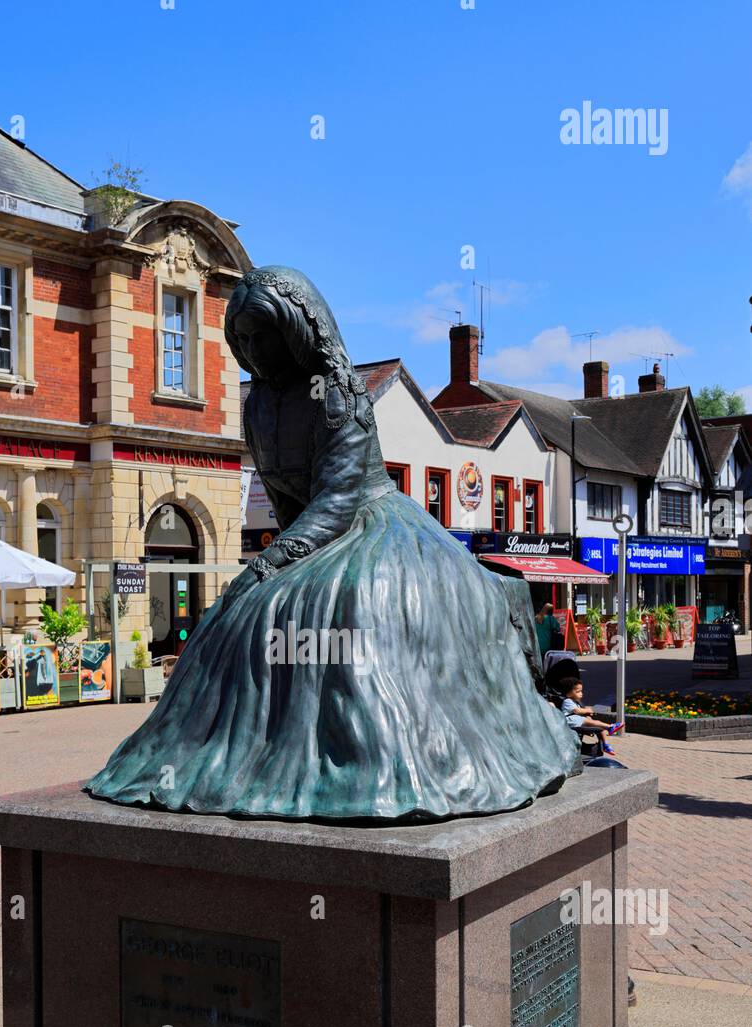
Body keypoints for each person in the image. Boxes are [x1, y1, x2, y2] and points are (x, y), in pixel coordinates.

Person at [87, 266, 579, 820]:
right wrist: (280, 562)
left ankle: (368, 760)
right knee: (239, 614)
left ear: (296, 330)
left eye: (262, 335)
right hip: (314, 530)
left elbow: (338, 499)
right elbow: (286, 501)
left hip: (369, 521)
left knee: (352, 601)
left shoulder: (337, 393)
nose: (253, 349)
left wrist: (274, 561)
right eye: (243, 339)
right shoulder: (257, 405)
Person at [557, 676, 623, 755]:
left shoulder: (575, 702)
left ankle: (606, 745)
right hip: (571, 721)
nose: (581, 693)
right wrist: (587, 710)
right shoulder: (567, 701)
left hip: (577, 720)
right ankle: (610, 727)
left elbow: (580, 711)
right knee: (593, 721)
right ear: (568, 694)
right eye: (578, 691)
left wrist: (587, 712)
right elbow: (577, 711)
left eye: (581, 691)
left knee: (599, 726)